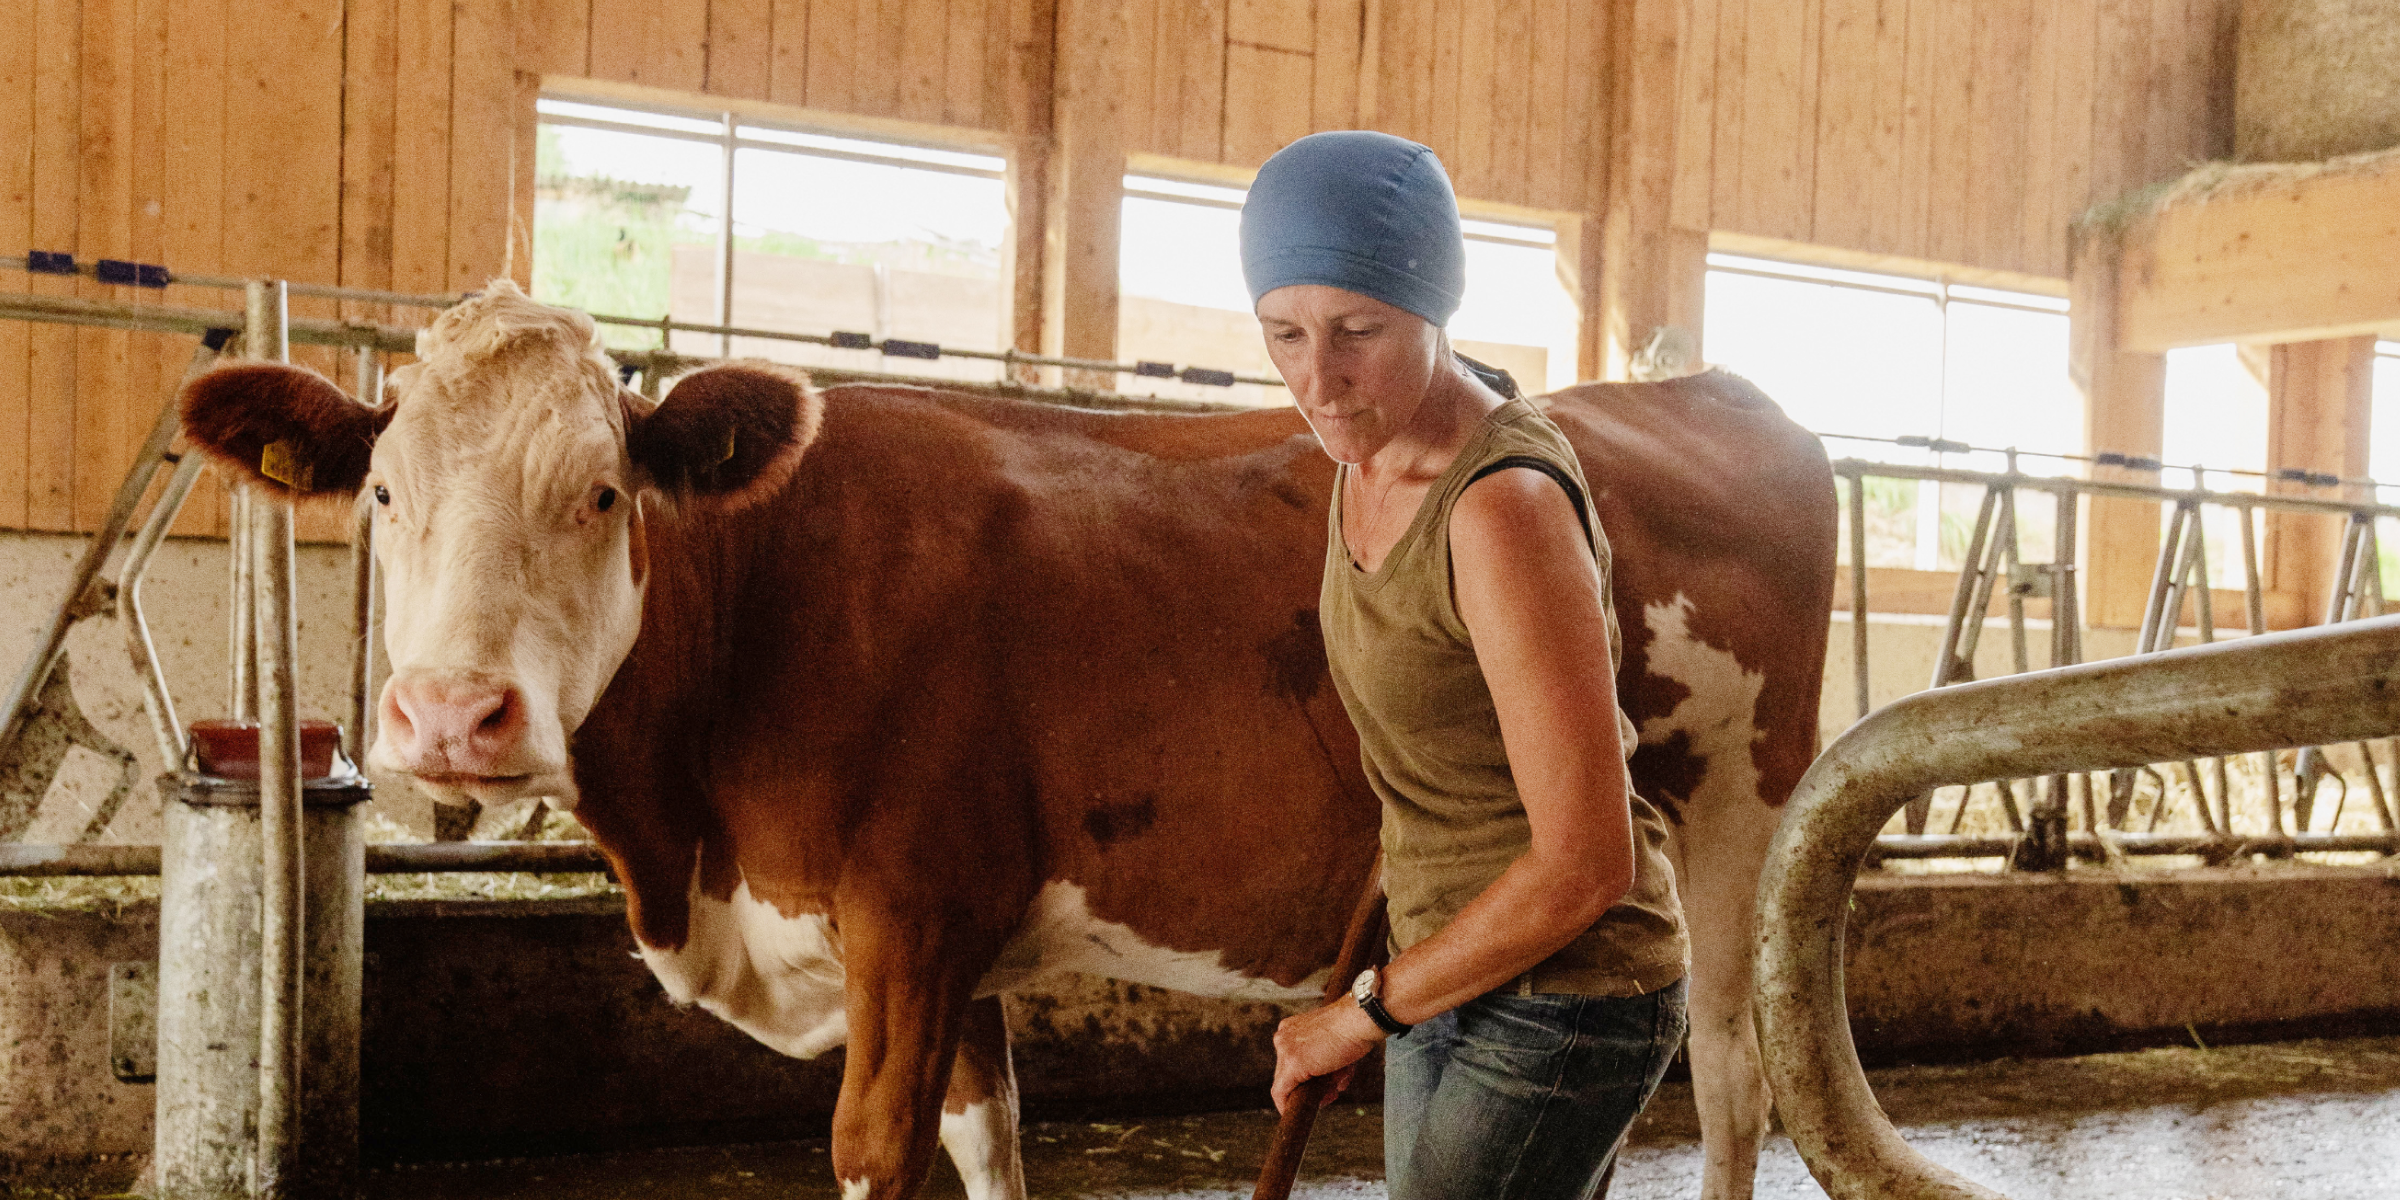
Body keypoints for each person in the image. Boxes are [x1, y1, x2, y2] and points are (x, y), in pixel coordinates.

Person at [1242, 130, 1690, 1200]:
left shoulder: (1501, 510)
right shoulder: (1367, 454)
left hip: (1570, 991)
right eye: (1284, 332)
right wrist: (1394, 986)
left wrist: (1362, 1013)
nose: (1321, 379)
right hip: (1451, 963)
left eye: (1360, 329)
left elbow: (1588, 862)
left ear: (1434, 308)